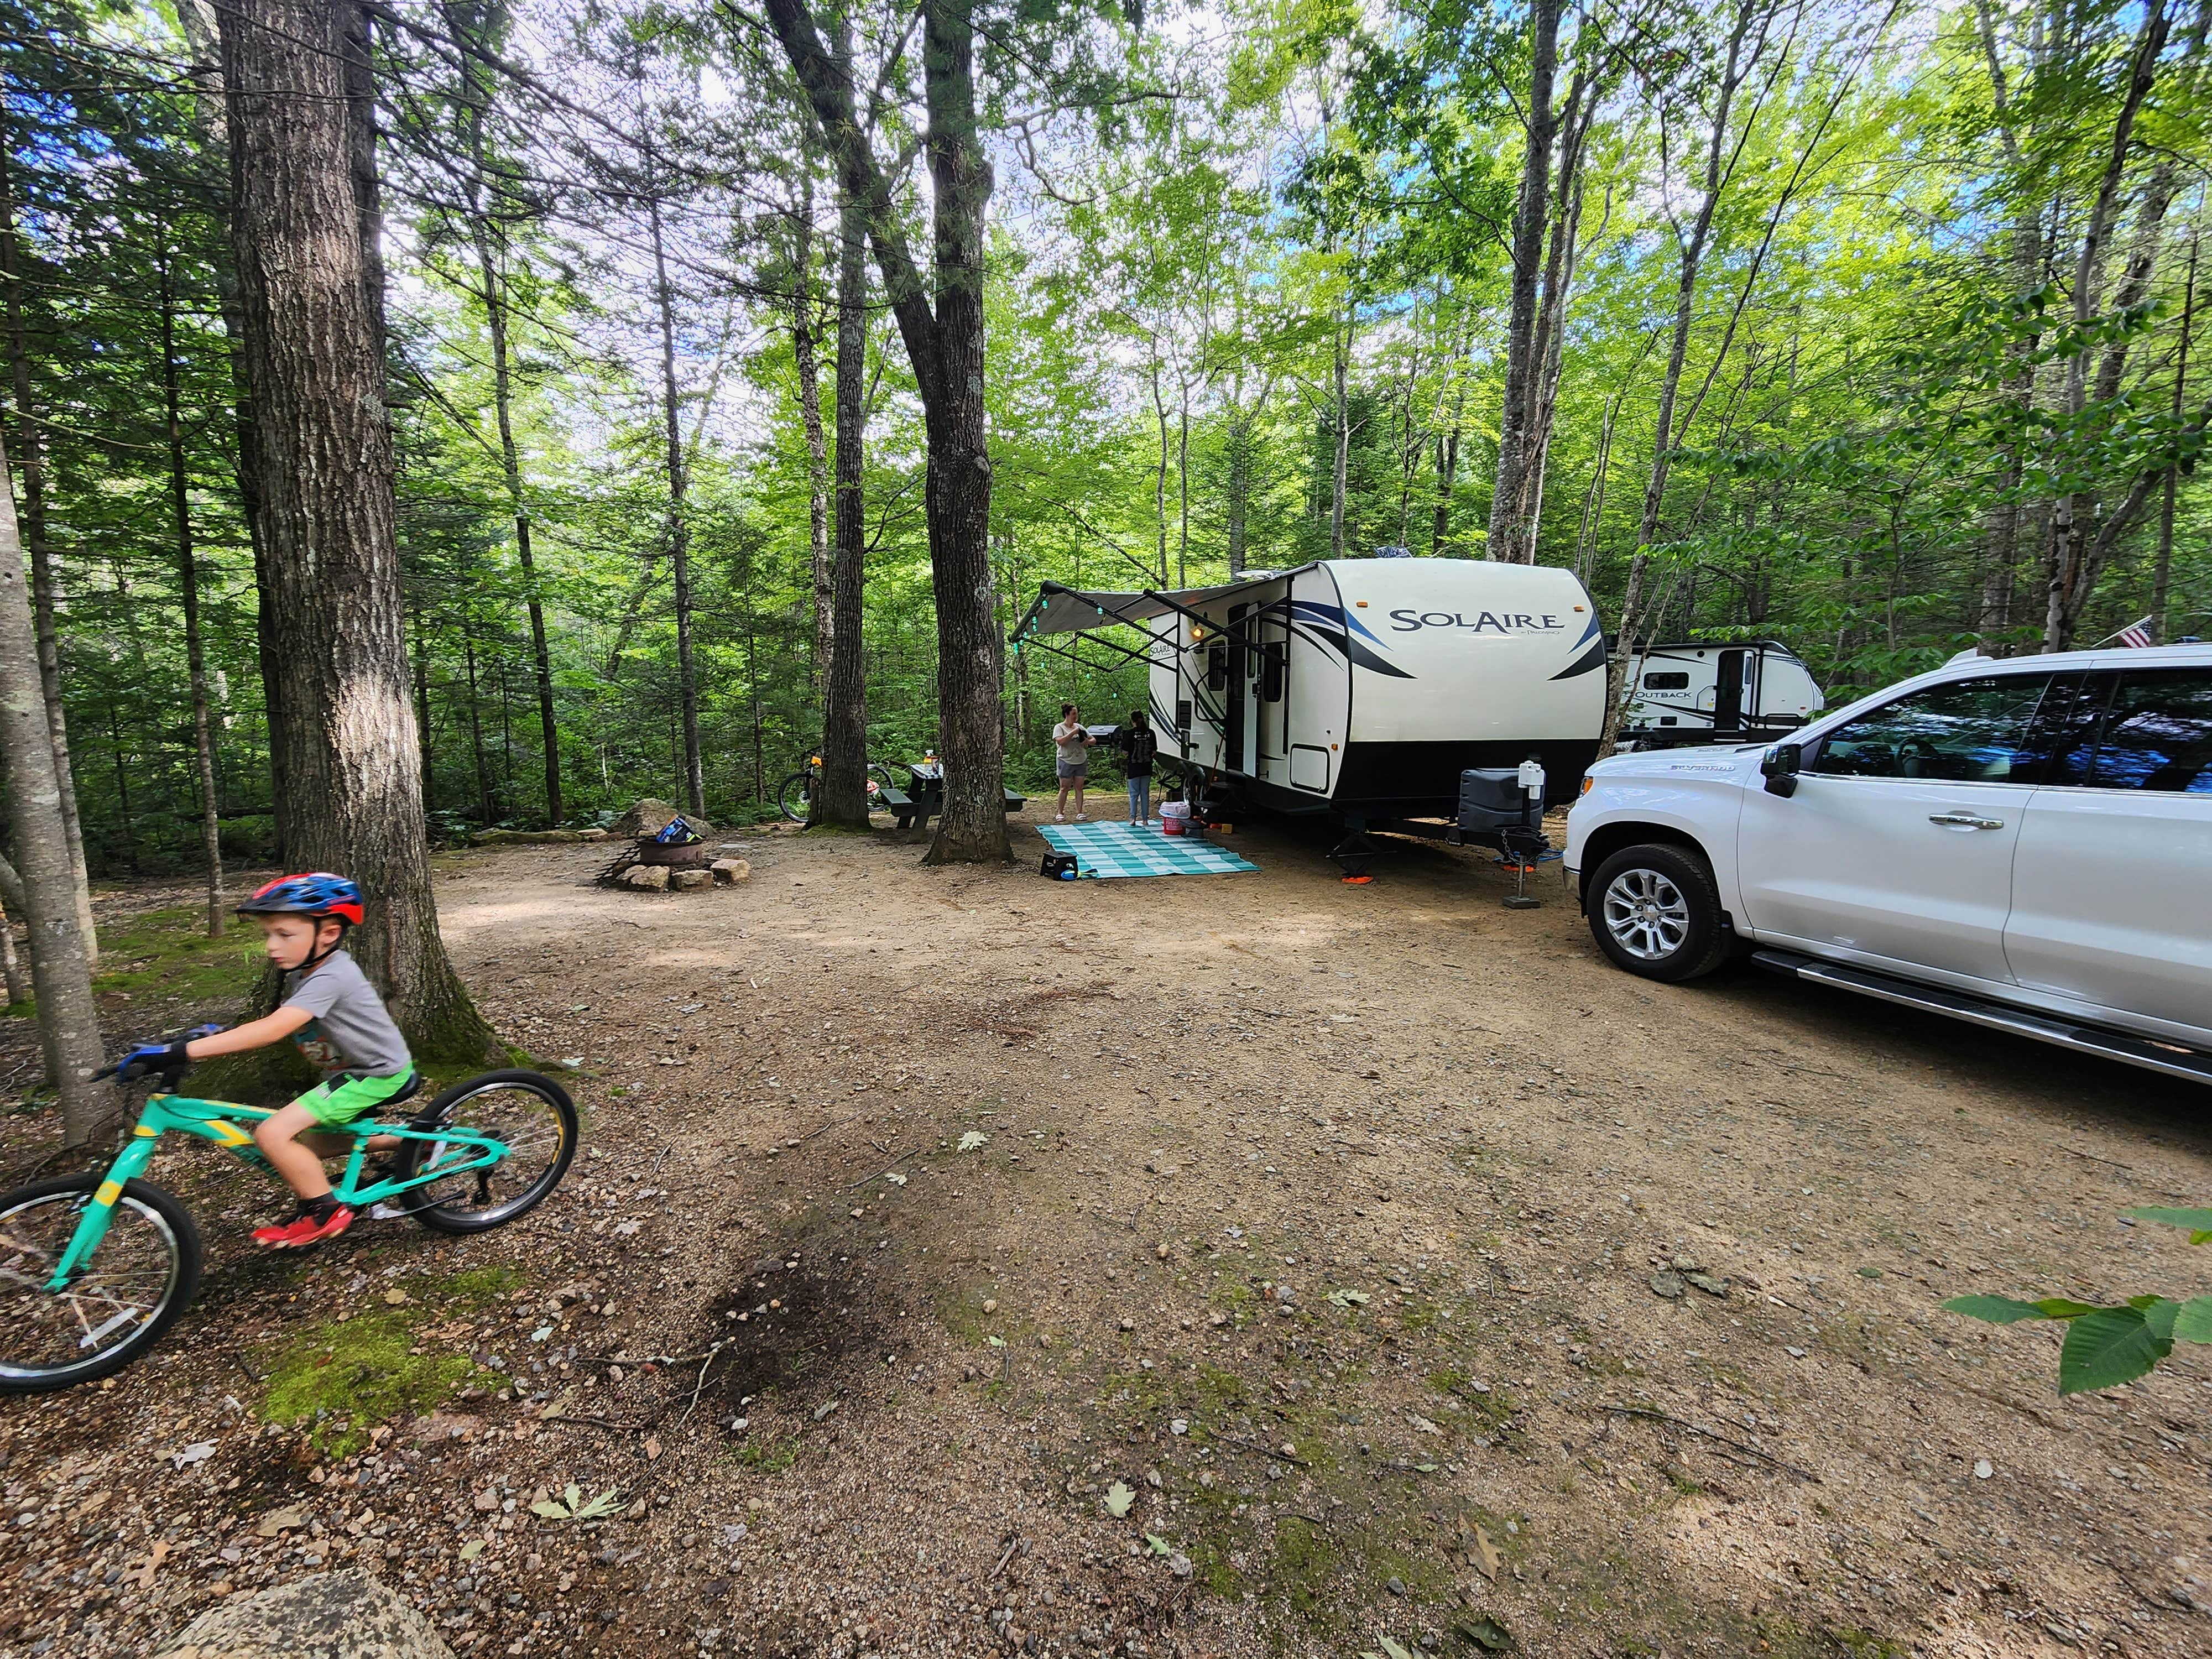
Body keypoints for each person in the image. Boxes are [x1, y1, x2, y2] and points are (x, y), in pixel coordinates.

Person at [118, 873, 415, 1249]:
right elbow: (282, 1018)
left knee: (272, 1134)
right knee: (312, 1146)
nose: (272, 946)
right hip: (348, 1071)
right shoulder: (306, 970)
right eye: (268, 935)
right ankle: (410, 1143)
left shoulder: (332, 975)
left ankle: (324, 1211)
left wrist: (178, 1053)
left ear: (328, 933)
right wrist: (212, 1035)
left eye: (284, 934)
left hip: (373, 1074)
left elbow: (275, 1028)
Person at [1052, 702, 1096, 821]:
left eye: (1076, 714)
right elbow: (1060, 742)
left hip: (1080, 760)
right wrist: (1072, 733)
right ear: (1067, 714)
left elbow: (1093, 740)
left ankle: (1080, 812)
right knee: (1064, 788)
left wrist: (1087, 741)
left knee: (1079, 787)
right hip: (1066, 760)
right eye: (1073, 714)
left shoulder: (1080, 727)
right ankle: (1060, 812)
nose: (1076, 716)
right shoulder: (1059, 727)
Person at [1115, 708, 1159, 825]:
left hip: (1134, 767)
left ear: (1132, 721)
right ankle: (1145, 819)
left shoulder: (1129, 734)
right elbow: (1154, 751)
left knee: (1134, 794)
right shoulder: (1151, 733)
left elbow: (1125, 752)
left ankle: (1133, 818)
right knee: (1145, 793)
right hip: (1147, 767)